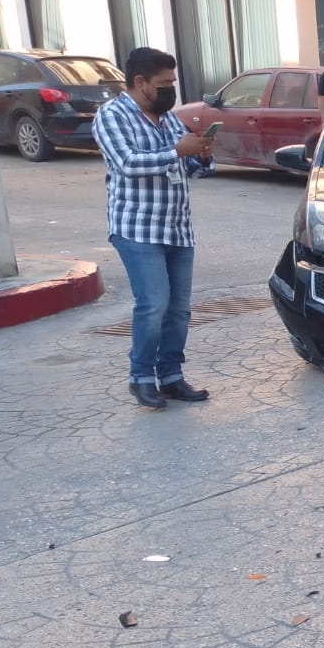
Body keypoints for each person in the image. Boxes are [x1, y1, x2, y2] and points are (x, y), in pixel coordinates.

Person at [93, 46, 215, 410]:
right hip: (137, 228)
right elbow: (128, 163)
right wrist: (178, 151)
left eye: (173, 82)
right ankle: (141, 378)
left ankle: (172, 377)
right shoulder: (112, 116)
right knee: (153, 304)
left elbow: (189, 166)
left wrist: (201, 155)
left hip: (177, 227)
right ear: (139, 82)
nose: (170, 90)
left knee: (179, 309)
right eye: (164, 84)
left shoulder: (168, 118)